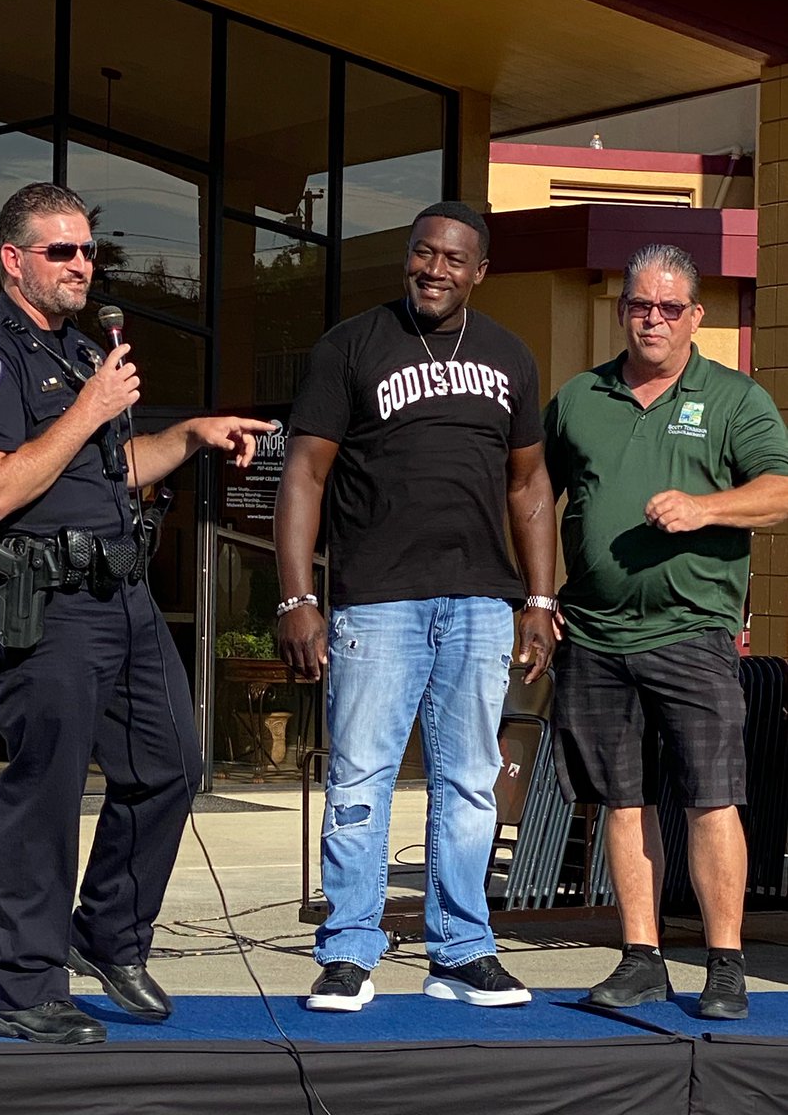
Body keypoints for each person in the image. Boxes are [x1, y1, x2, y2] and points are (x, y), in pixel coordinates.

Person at [0, 182, 274, 1044]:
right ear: (14, 262)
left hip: (121, 595)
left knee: (172, 766)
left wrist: (192, 433)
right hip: (46, 604)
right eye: (62, 251)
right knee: (45, 794)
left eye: (89, 250)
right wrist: (90, 411)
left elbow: (116, 470)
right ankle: (25, 991)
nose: (83, 264)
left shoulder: (85, 355)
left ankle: (106, 934)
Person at [275, 200, 556, 1012]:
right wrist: (298, 596)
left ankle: (461, 949)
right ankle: (350, 950)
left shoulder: (508, 356)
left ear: (480, 271)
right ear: (408, 257)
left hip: (479, 602)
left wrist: (539, 597)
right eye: (423, 254)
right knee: (360, 778)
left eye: (453, 259)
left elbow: (528, 483)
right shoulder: (352, 346)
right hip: (378, 603)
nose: (435, 269)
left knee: (469, 782)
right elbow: (305, 475)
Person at [543, 243, 788, 1021]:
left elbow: (781, 492)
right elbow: (529, 495)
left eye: (669, 307)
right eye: (640, 306)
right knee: (622, 799)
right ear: (622, 311)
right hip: (594, 635)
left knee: (711, 799)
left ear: (696, 317)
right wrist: (535, 602)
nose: (653, 319)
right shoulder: (580, 398)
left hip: (692, 631)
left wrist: (707, 508)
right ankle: (641, 957)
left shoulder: (734, 399)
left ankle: (724, 963)